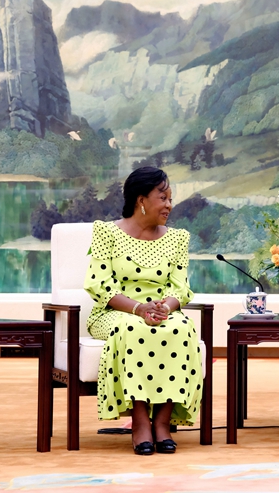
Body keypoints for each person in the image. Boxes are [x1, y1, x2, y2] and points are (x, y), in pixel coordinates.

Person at [83, 167, 202, 455]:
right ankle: (139, 423)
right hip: (114, 313)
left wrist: (164, 308)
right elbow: (100, 285)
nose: (169, 205)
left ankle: (162, 422)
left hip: (161, 311)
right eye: (162, 197)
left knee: (181, 327)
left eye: (170, 198)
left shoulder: (177, 238)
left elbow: (180, 288)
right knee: (133, 328)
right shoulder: (106, 232)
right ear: (141, 200)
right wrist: (138, 309)